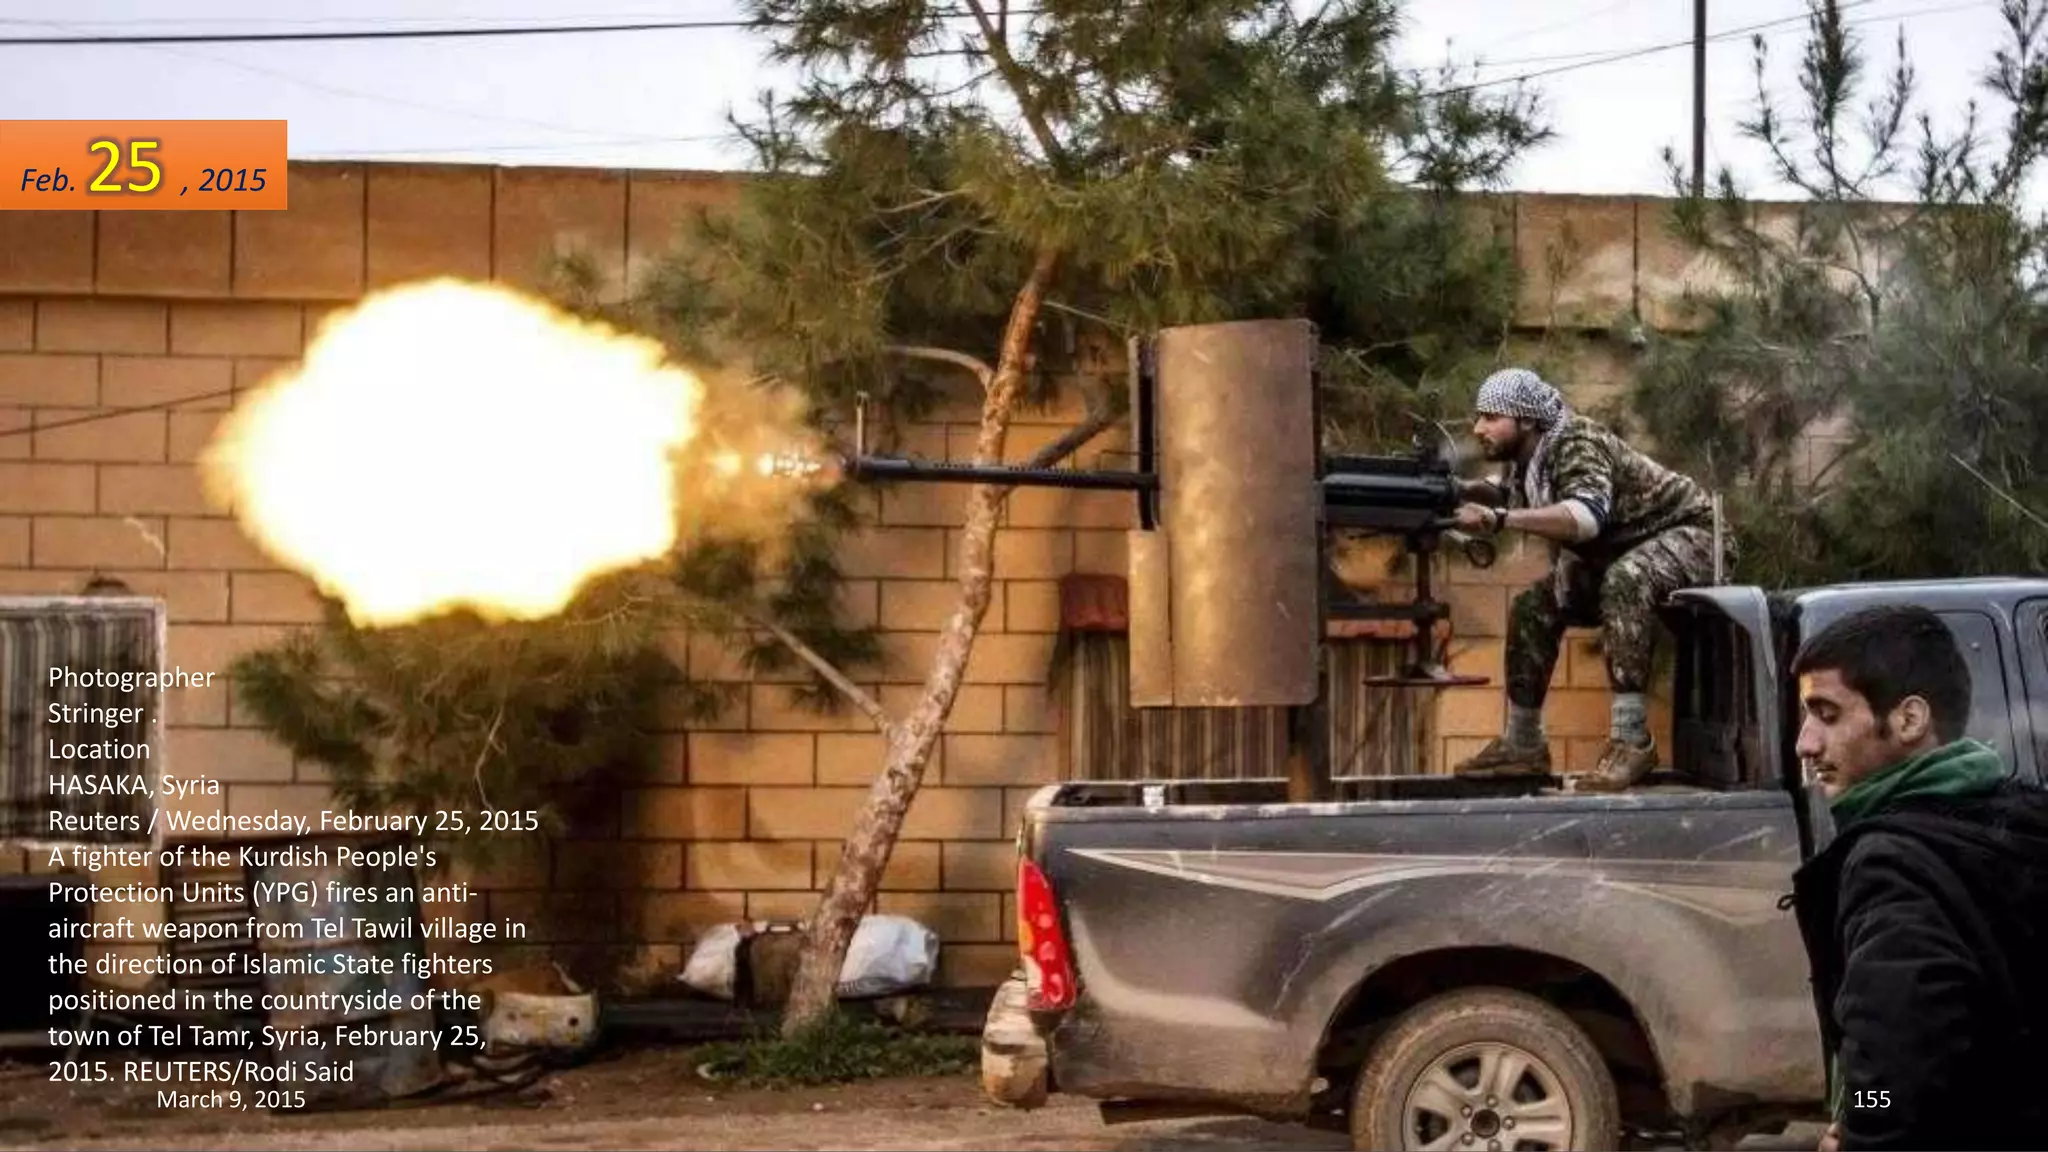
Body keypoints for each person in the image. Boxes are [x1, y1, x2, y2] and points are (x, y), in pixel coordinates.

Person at [1787, 604, 2048, 1150]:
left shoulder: (1894, 863)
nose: (1805, 744)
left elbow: (1891, 1080)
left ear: (1908, 720)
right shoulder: (2022, 819)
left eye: (1827, 714)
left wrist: (1860, 1118)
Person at [1447, 367, 1724, 791]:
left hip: (1693, 535)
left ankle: (1632, 739)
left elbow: (1585, 517)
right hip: (1625, 552)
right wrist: (1451, 491)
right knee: (1533, 606)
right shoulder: (1530, 461)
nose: (1478, 428)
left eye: (1491, 417)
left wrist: (1499, 520)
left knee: (1625, 580)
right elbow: (1504, 493)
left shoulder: (1577, 442)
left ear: (1526, 420)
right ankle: (1523, 745)